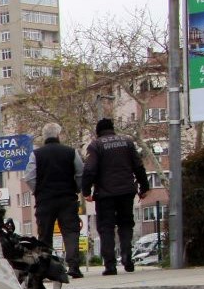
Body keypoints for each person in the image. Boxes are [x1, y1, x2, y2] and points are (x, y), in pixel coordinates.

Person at [81, 117, 149, 276]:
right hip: (126, 191)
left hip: (105, 194)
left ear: (98, 132)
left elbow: (90, 169)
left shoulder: (96, 145)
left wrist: (86, 191)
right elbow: (138, 166)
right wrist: (144, 187)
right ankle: (126, 255)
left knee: (106, 228)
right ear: (113, 129)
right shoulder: (127, 142)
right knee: (126, 224)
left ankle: (110, 265)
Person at [23, 122, 84, 279]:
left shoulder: (36, 155)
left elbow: (29, 177)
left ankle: (45, 269)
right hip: (67, 199)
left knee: (45, 235)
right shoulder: (71, 152)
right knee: (70, 232)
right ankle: (74, 267)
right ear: (58, 135)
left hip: (45, 201)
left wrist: (38, 190)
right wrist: (76, 188)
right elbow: (80, 173)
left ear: (44, 137)